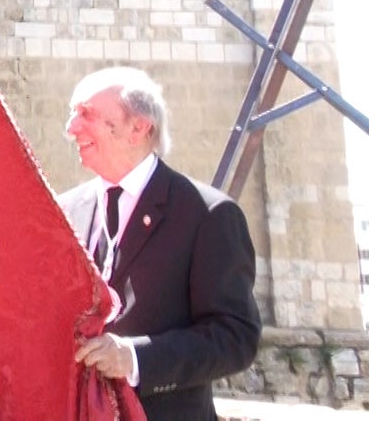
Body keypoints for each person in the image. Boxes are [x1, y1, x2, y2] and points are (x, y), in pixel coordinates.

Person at [61, 66, 261, 421]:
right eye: (72, 115)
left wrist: (135, 358)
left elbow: (235, 337)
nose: (71, 129)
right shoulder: (64, 211)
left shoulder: (207, 215)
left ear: (139, 127)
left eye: (86, 114)